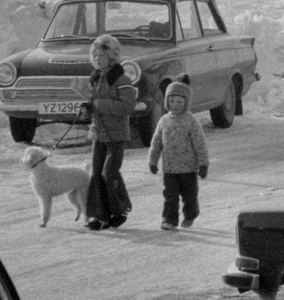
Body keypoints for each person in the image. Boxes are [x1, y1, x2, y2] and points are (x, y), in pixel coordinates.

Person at [82, 35, 137, 230]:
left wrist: (99, 104)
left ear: (112, 57)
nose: (97, 59)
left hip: (115, 136)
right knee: (96, 174)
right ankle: (99, 216)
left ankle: (120, 210)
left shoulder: (123, 80)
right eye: (94, 55)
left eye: (102, 55)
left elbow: (128, 106)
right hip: (98, 134)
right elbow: (93, 102)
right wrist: (87, 107)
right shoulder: (95, 78)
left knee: (109, 173)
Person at [147, 78, 209, 231]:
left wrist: (203, 164)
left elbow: (199, 144)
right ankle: (169, 219)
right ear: (167, 102)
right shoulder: (163, 121)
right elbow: (156, 143)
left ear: (185, 103)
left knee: (189, 197)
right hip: (169, 169)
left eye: (179, 102)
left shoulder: (191, 121)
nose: (175, 105)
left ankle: (191, 214)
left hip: (188, 168)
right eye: (172, 101)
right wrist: (153, 161)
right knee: (170, 196)